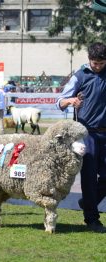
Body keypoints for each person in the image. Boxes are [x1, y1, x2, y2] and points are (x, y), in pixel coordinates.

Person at [57, 42, 106, 233]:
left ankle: (87, 202)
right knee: (89, 178)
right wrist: (70, 100)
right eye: (95, 63)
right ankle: (92, 219)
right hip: (87, 134)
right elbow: (59, 101)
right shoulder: (80, 76)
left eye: (101, 63)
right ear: (89, 60)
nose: (98, 66)